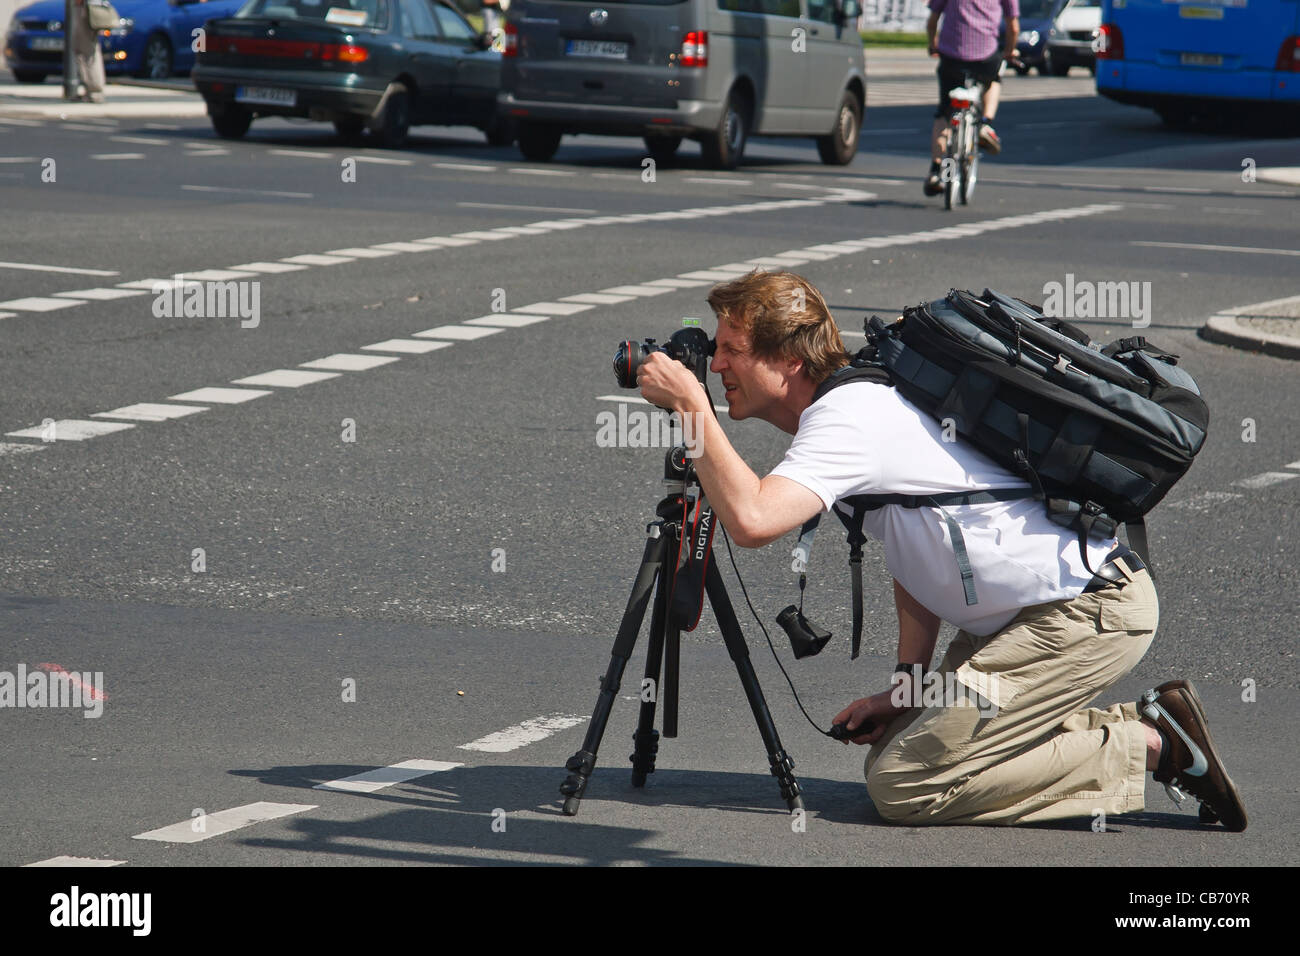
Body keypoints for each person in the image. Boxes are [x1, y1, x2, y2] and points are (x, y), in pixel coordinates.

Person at [634, 269, 1247, 830]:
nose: (714, 368)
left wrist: (691, 407)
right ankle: (1150, 730)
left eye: (730, 351)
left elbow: (751, 519)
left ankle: (1151, 746)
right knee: (898, 748)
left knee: (905, 783)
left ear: (789, 360)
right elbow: (914, 552)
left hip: (1082, 614)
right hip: (1021, 621)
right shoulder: (856, 402)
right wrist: (907, 689)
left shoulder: (849, 417)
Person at [924, 0, 1018, 196]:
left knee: (944, 115)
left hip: (951, 57)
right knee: (994, 80)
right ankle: (986, 123)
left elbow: (932, 20)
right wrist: (1009, 52)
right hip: (985, 56)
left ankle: (936, 170)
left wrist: (932, 44)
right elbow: (1013, 27)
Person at [69, 0, 107, 104]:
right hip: (89, 8)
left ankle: (95, 92)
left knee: (87, 51)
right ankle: (92, 91)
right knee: (85, 50)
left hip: (88, 8)